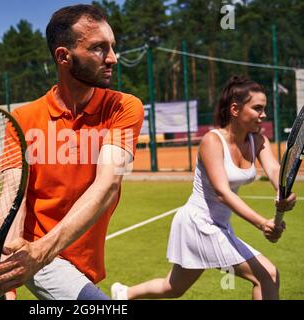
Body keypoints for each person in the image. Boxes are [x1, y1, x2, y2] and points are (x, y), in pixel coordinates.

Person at [0, 4, 144, 300]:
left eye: (112, 47)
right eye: (98, 49)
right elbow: (13, 198)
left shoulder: (124, 108)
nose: (113, 59)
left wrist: (38, 254)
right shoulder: (23, 120)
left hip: (60, 258)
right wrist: (8, 275)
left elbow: (108, 185)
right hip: (37, 253)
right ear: (64, 56)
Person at [111, 75, 297, 300]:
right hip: (198, 224)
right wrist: (262, 223)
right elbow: (222, 192)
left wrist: (282, 190)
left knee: (173, 288)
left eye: (264, 108)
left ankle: (123, 294)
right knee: (268, 275)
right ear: (235, 109)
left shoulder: (258, 141)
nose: (263, 115)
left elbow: (276, 171)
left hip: (219, 226)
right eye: (258, 108)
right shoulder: (212, 141)